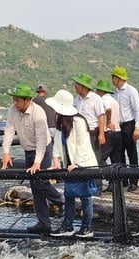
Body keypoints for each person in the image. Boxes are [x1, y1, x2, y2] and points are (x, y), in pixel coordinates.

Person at [1, 83, 64, 235]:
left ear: (27, 100)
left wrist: (37, 162)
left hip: (43, 149)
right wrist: (5, 152)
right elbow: (9, 130)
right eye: (14, 100)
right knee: (35, 188)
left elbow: (42, 140)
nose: (14, 103)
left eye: (17, 100)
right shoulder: (13, 110)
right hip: (28, 149)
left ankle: (61, 201)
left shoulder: (38, 113)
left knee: (41, 182)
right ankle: (44, 223)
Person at [47, 90, 99, 238]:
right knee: (69, 195)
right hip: (69, 166)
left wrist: (77, 164)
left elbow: (83, 145)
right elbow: (57, 144)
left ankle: (86, 228)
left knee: (85, 197)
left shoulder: (79, 121)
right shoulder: (60, 122)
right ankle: (67, 226)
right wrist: (55, 161)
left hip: (83, 164)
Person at [72, 73, 106, 193]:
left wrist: (101, 134)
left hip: (92, 132)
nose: (75, 86)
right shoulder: (76, 100)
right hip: (80, 134)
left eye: (77, 84)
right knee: (81, 159)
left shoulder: (95, 98)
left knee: (95, 160)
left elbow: (101, 116)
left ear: (83, 86)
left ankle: (97, 189)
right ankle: (85, 187)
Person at [111, 66, 139, 191]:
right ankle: (123, 179)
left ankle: (134, 181)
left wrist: (137, 127)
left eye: (113, 77)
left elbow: (137, 109)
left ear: (118, 78)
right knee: (120, 152)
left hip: (129, 124)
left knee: (132, 153)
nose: (112, 80)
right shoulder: (115, 92)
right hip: (119, 125)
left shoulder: (131, 91)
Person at [94, 79, 123, 168]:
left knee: (100, 159)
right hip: (117, 132)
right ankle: (117, 181)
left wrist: (108, 122)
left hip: (109, 133)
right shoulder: (114, 100)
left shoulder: (103, 99)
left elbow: (108, 109)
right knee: (116, 160)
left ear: (101, 91)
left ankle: (108, 175)